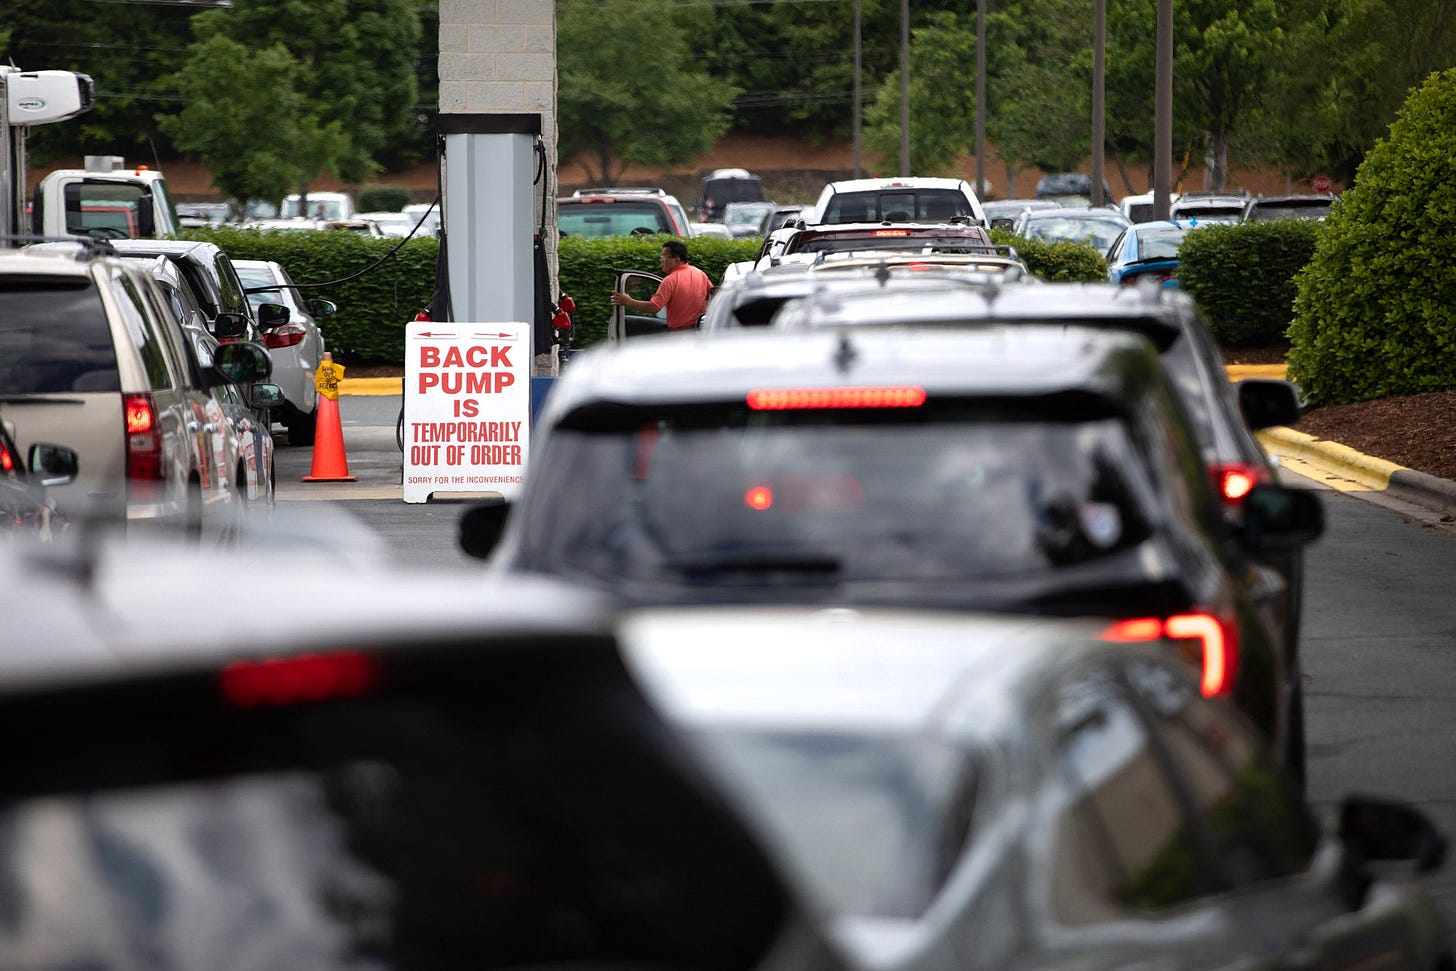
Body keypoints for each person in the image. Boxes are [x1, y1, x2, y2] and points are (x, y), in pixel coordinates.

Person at [610, 240, 714, 331]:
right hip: (699, 332)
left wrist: (628, 301)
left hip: (678, 336)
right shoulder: (700, 273)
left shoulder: (670, 280)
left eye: (664, 256)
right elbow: (713, 295)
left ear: (676, 260)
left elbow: (654, 307)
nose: (661, 260)